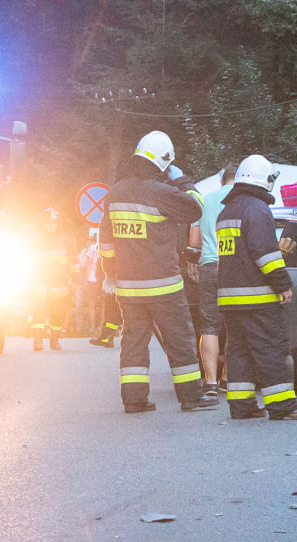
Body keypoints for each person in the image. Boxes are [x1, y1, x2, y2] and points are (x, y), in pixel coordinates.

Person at [98, 130, 218, 414]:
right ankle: (191, 397)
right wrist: (181, 180)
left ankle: (134, 399)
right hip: (164, 286)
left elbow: (105, 244)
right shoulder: (162, 192)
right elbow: (196, 208)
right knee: (180, 341)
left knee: (133, 342)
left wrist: (111, 275)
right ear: (165, 163)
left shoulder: (114, 194)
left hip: (127, 287)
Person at [216, 154, 297, 420]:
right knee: (270, 348)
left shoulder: (228, 211)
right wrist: (283, 283)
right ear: (266, 180)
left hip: (229, 298)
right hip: (257, 297)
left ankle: (241, 405)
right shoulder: (257, 209)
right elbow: (265, 254)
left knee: (238, 350)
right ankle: (282, 405)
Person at [189, 163, 236, 395]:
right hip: (234, 268)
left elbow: (195, 241)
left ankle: (209, 383)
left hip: (208, 265)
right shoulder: (243, 200)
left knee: (209, 326)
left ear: (221, 180)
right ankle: (227, 379)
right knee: (234, 324)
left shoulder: (205, 200)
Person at [30, 207, 71, 352]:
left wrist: (76, 279)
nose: (51, 225)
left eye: (54, 222)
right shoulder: (36, 239)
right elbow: (28, 261)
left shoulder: (65, 239)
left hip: (59, 283)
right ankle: (38, 339)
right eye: (48, 222)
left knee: (58, 313)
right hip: (40, 282)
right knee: (38, 311)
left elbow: (72, 260)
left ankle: (54, 339)